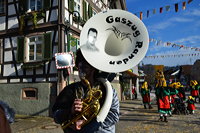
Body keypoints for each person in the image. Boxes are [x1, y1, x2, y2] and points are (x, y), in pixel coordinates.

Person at [52, 49, 119, 133]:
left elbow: (113, 116)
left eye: (85, 67)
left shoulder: (108, 90)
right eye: (80, 68)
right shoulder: (69, 90)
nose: (81, 71)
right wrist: (70, 111)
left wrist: (85, 124)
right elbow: (56, 116)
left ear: (93, 68)